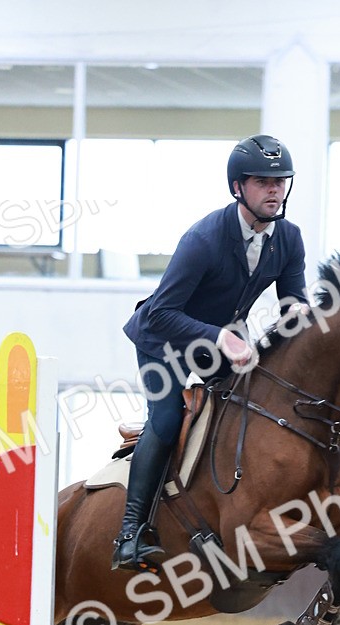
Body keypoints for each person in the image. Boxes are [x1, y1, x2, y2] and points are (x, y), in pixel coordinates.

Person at [112, 134, 308, 572]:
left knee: (253, 407)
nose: (274, 190)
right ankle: (129, 534)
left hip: (218, 342)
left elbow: (293, 299)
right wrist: (222, 337)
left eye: (280, 182)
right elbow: (161, 313)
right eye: (262, 182)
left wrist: (300, 315)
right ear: (238, 187)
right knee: (167, 420)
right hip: (162, 340)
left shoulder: (289, 238)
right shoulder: (203, 239)